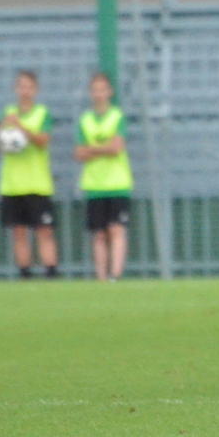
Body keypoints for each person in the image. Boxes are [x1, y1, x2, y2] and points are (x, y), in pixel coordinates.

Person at [0, 70, 58, 279]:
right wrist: (3, 131)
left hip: (37, 183)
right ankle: (25, 274)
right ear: (16, 89)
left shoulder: (42, 113)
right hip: (12, 184)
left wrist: (21, 128)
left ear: (36, 89)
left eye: (29, 86)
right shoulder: (8, 113)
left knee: (44, 230)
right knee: (19, 232)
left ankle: (51, 272)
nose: (25, 90)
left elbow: (42, 141)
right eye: (21, 86)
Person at [74, 72, 133, 281]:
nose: (99, 94)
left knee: (116, 230)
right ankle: (101, 277)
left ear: (110, 92)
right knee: (98, 234)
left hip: (117, 183)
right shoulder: (85, 120)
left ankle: (115, 275)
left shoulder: (117, 117)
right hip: (94, 184)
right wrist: (103, 148)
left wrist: (93, 148)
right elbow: (79, 153)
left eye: (102, 89)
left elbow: (117, 147)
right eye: (95, 90)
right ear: (90, 93)